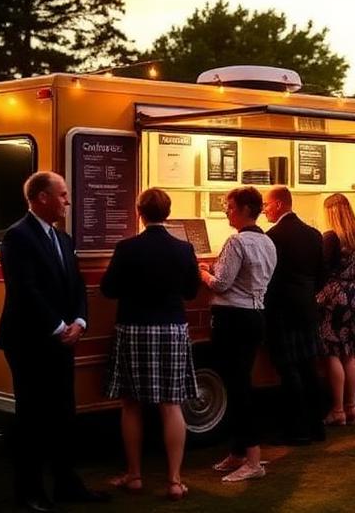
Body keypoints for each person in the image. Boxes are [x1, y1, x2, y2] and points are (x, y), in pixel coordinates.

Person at [0, 172, 109, 512]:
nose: (67, 201)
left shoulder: (63, 239)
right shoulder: (17, 237)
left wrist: (80, 321)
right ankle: (29, 492)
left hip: (63, 341)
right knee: (32, 418)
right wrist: (59, 326)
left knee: (63, 414)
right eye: (62, 195)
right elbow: (24, 290)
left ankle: (66, 484)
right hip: (30, 343)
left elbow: (76, 285)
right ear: (41, 197)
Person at [100, 188, 201, 499]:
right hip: (172, 327)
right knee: (171, 405)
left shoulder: (126, 248)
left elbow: (108, 289)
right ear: (168, 213)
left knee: (131, 403)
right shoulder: (184, 249)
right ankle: (173, 480)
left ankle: (134, 475)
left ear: (138, 211)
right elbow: (191, 292)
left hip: (134, 327)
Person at [200, 187, 277, 481]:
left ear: (245, 208)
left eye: (230, 207)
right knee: (239, 384)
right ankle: (238, 452)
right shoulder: (268, 242)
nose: (226, 211)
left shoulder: (236, 242)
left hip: (232, 319)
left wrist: (203, 273)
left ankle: (252, 460)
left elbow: (220, 284)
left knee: (238, 388)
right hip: (256, 316)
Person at [263, 186, 326, 444]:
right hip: (307, 309)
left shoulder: (272, 236)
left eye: (266, 204)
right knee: (309, 369)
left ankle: (296, 431)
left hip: (281, 312)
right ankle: (317, 426)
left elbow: (268, 278)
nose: (264, 209)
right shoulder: (314, 234)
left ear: (279, 204)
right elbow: (322, 275)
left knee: (289, 372)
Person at [317, 194, 355, 427]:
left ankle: (338, 410)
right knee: (349, 354)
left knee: (332, 352)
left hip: (333, 296)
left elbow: (322, 268)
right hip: (353, 295)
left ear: (331, 212)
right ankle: (352, 407)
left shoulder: (331, 237)